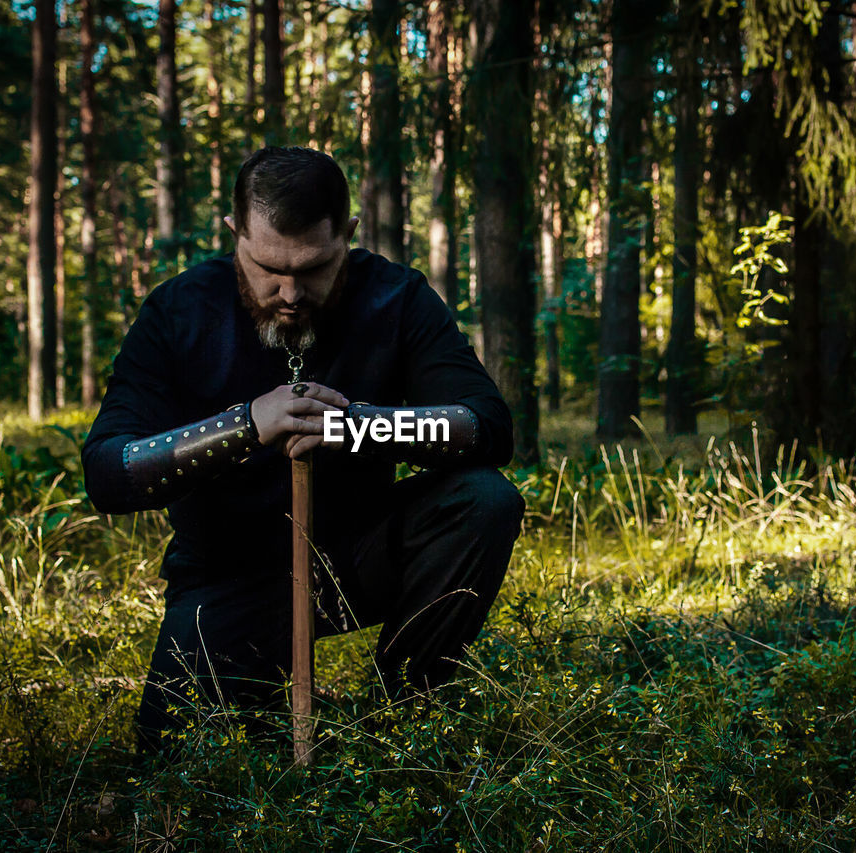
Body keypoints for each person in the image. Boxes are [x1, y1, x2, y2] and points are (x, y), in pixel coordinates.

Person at [81, 146, 524, 755]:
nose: (290, 292)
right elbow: (107, 472)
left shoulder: (396, 298)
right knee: (175, 752)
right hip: (228, 576)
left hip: (358, 556)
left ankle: (408, 717)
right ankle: (260, 696)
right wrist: (245, 426)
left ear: (347, 234)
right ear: (236, 231)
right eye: (268, 267)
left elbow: (488, 428)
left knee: (484, 500)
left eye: (314, 267)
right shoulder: (178, 312)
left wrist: (360, 426)